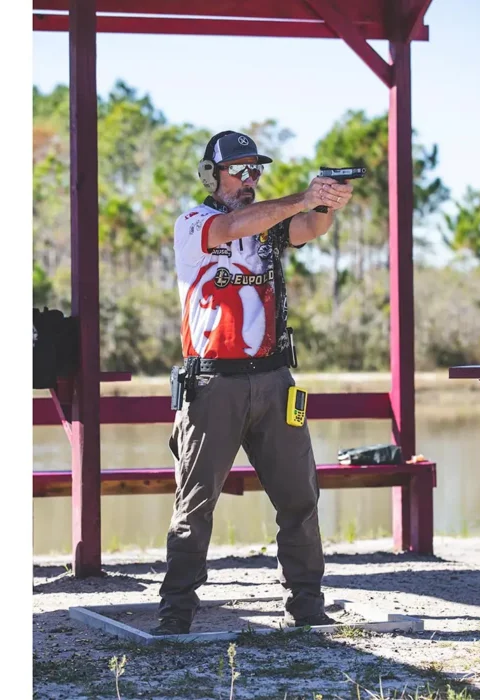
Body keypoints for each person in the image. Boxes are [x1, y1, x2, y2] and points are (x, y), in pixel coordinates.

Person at [152, 130, 354, 635]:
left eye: (255, 170)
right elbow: (234, 225)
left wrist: (326, 204)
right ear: (211, 175)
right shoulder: (195, 223)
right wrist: (302, 197)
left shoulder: (268, 227)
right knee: (196, 503)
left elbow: (308, 227)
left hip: (273, 379)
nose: (250, 179)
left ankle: (306, 606)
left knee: (301, 498)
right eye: (239, 170)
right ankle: (176, 612)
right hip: (213, 382)